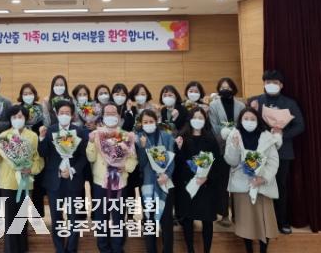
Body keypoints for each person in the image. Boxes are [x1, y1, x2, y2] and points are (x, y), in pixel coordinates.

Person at [250, 70, 305, 234]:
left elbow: (300, 125)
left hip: (283, 151)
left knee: (281, 186)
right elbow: (247, 122)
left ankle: (282, 221)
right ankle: (261, 222)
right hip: (260, 151)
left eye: (274, 82)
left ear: (281, 85)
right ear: (264, 84)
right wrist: (252, 110)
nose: (271, 85)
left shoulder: (290, 103)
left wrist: (282, 133)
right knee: (258, 184)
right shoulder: (256, 101)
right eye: (268, 82)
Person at [0, 104, 44, 253]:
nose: (17, 119)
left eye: (20, 116)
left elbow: (37, 159)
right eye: (14, 117)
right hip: (8, 183)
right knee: (10, 220)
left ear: (25, 118)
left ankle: (23, 249)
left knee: (22, 220)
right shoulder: (3, 136)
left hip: (25, 182)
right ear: (10, 119)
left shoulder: (32, 136)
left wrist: (31, 169)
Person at [225, 108, 280, 253]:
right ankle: (248, 249)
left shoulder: (267, 136)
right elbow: (232, 162)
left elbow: (274, 161)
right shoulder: (234, 135)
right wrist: (234, 146)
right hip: (242, 185)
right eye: (246, 119)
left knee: (265, 221)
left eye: (252, 119)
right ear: (240, 120)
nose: (249, 122)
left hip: (262, 185)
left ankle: (263, 250)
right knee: (246, 223)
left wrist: (263, 178)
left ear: (258, 120)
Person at [86, 103, 138, 253]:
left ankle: (117, 248)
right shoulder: (96, 134)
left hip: (120, 181)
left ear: (119, 117)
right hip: (100, 182)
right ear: (103, 117)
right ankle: (103, 249)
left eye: (113, 113)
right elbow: (91, 158)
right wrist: (91, 142)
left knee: (118, 218)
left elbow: (133, 158)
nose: (110, 116)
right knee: (101, 218)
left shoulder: (126, 135)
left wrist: (125, 167)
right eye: (107, 114)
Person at [38, 100, 88, 253]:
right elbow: (43, 153)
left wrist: (72, 169)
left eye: (67, 113)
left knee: (74, 218)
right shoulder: (50, 131)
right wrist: (41, 138)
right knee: (56, 218)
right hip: (54, 181)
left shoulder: (79, 132)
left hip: (73, 180)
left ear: (72, 115)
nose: (64, 115)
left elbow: (83, 157)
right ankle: (59, 249)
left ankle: (71, 248)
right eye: (61, 113)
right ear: (57, 114)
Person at [174, 107, 222, 253]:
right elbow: (177, 164)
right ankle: (190, 250)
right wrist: (179, 149)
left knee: (207, 220)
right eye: (195, 117)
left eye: (201, 118)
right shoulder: (182, 137)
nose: (197, 120)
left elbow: (217, 163)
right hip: (187, 186)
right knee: (187, 219)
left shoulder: (210, 139)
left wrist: (207, 177)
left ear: (205, 120)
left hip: (206, 186)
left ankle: (207, 250)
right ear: (190, 119)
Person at [208, 77, 245, 227]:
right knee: (222, 182)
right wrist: (225, 132)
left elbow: (243, 123)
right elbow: (213, 125)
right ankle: (224, 214)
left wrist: (234, 133)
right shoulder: (213, 105)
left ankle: (238, 214)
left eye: (228, 87)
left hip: (237, 146)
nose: (226, 90)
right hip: (221, 147)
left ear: (233, 89)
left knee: (238, 180)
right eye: (222, 87)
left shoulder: (241, 105)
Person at [136, 109, 175, 253]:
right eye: (145, 122)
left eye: (151, 121)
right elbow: (141, 163)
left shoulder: (167, 136)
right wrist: (142, 147)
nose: (148, 124)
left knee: (167, 221)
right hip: (147, 184)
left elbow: (172, 159)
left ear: (156, 121)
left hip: (165, 183)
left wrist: (167, 175)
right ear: (141, 123)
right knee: (149, 220)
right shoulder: (139, 138)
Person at [18, 83, 47, 217]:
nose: (28, 96)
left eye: (30, 93)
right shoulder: (18, 109)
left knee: (38, 185)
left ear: (34, 95)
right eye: (25, 93)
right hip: (21, 150)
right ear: (21, 95)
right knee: (22, 184)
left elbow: (46, 124)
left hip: (37, 150)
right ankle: (22, 216)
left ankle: (37, 216)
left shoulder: (40, 109)